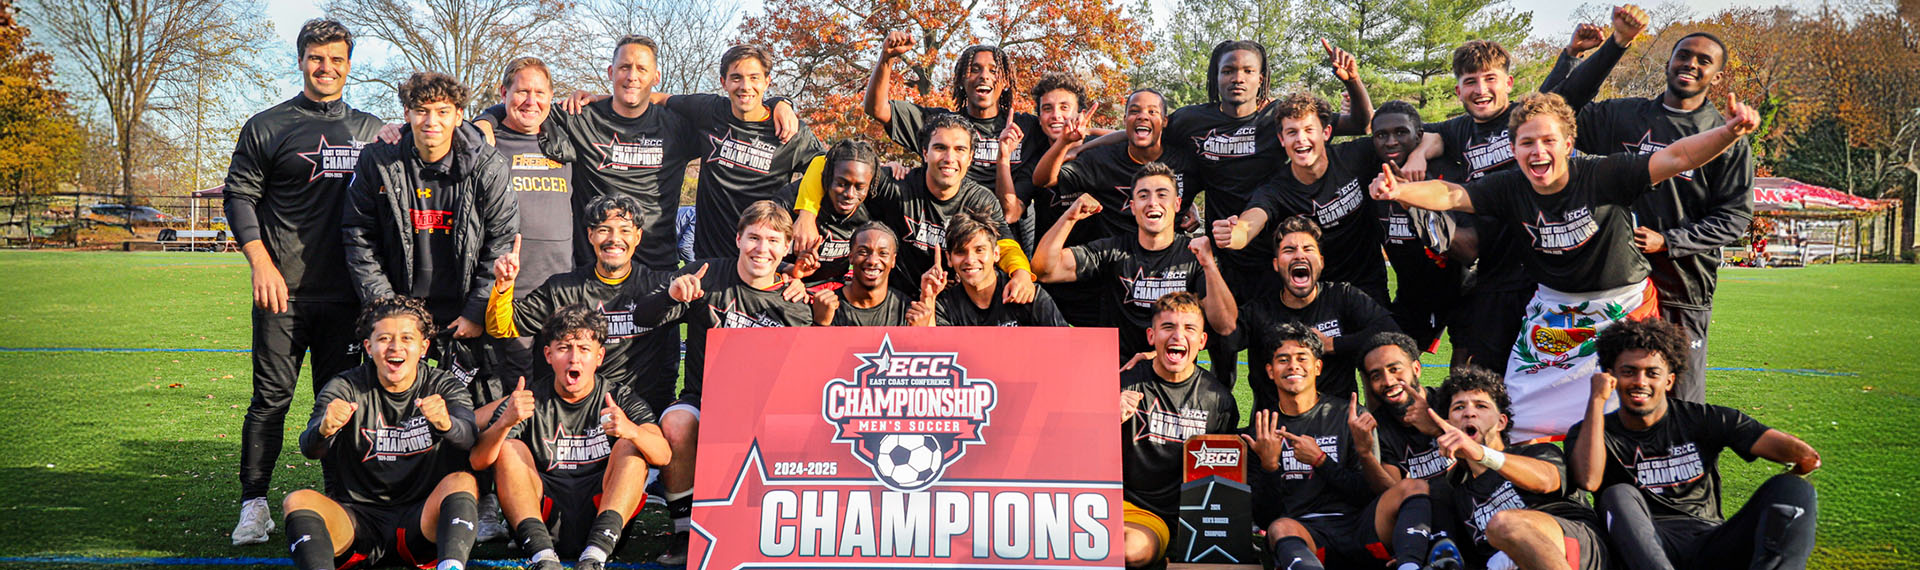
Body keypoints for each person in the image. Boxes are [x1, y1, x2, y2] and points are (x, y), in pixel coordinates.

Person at [1370, 90, 1759, 440]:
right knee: (1519, 415)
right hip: (1554, 310)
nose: (1537, 151)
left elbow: (1677, 156)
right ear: (1514, 149)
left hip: (1622, 309)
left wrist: (1729, 133)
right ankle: (1535, 503)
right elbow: (1453, 195)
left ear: (1568, 144)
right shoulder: (1510, 186)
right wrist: (1401, 190)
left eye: (1548, 141)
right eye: (1526, 143)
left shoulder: (1603, 173)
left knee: (1626, 420)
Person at [1087, 39, 1371, 386]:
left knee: (1271, 350)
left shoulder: (1278, 117)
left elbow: (1359, 124)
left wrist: (1352, 81)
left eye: (1248, 70)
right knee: (1223, 345)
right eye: (1229, 70)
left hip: (1271, 255)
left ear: (1261, 78)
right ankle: (1221, 418)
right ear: (1216, 76)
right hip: (1222, 255)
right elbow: (1140, 135)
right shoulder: (1193, 120)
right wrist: (1083, 142)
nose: (1238, 77)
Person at [1397, 8, 1647, 372]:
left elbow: (1572, 91)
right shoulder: (1456, 132)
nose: (1481, 90)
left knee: (1558, 372)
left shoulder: (1525, 120)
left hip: (1547, 276)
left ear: (1508, 84)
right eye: (1470, 81)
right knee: (1476, 371)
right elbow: (1424, 132)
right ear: (1458, 90)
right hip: (1494, 274)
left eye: (1490, 79)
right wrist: (1419, 150)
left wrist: (1617, 43)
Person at [223, 19, 386, 543]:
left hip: (349, 299)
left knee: (337, 400)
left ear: (349, 64)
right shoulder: (268, 125)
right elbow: (239, 196)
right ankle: (254, 505)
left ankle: (339, 499)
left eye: (337, 59)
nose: (327, 68)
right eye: (317, 58)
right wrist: (260, 261)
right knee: (270, 400)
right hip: (282, 292)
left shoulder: (372, 130)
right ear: (300, 61)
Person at [1574, 32, 1754, 404]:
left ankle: (1691, 465)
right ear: (1668, 62)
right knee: (1609, 394)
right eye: (1683, 55)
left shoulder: (1726, 136)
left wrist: (1668, 240)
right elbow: (1560, 110)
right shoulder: (1621, 116)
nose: (1691, 64)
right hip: (1615, 284)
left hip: (1682, 286)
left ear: (1717, 77)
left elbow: (1735, 217)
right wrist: (1578, 55)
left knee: (1681, 400)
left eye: (1704, 61)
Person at [632, 200, 816, 564]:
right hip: (705, 399)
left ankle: (774, 530)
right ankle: (685, 532)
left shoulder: (794, 300)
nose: (762, 249)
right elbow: (643, 316)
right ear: (737, 239)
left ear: (785, 248)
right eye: (754, 238)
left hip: (764, 411)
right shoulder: (705, 275)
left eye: (773, 240)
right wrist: (671, 294)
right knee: (676, 423)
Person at [1569, 318, 1820, 570]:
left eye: (1652, 373)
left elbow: (1805, 457)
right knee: (1618, 494)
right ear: (1611, 377)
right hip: (1641, 548)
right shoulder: (1591, 431)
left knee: (1794, 488)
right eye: (1628, 372)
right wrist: (1597, 401)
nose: (1640, 382)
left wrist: (1796, 471)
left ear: (1669, 381)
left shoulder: (1704, 419)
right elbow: (1589, 480)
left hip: (1710, 543)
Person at [340, 71, 520, 406]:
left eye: (442, 111)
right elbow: (359, 238)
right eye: (421, 110)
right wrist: (386, 309)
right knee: (395, 414)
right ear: (406, 113)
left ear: (459, 115)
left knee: (468, 417)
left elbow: (501, 241)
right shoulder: (379, 161)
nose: (431, 120)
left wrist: (478, 309)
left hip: (463, 317)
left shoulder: (490, 167)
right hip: (400, 313)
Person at [280, 296, 479, 570]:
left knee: (463, 482)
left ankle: (451, 566)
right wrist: (324, 430)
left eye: (407, 338)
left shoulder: (442, 384)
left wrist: (446, 424)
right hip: (356, 522)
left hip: (420, 523)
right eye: (384, 339)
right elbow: (310, 448)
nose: (395, 347)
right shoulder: (345, 386)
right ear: (368, 347)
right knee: (297, 500)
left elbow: (469, 436)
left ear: (424, 347)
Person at [470, 305, 672, 570]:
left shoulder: (619, 398)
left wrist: (630, 430)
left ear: (599, 357)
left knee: (631, 447)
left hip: (603, 520)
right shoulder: (528, 399)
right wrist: (505, 423)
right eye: (564, 348)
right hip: (541, 517)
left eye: (584, 349)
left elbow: (664, 454)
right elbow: (478, 461)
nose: (574, 359)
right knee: (508, 447)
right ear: (549, 354)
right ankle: (542, 556)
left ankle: (595, 556)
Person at [792, 114, 1037, 294]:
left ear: (970, 157)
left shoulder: (979, 200)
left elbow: (1005, 242)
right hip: (895, 297)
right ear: (924, 152)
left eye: (959, 149)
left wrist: (1022, 273)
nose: (949, 158)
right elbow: (825, 163)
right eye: (940, 148)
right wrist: (806, 214)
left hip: (950, 300)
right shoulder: (897, 184)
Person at [485, 194, 683, 412]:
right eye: (604, 229)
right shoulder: (562, 289)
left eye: (625, 230)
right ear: (590, 235)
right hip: (572, 410)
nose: (614, 238)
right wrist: (503, 286)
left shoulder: (660, 287)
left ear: (638, 236)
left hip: (636, 410)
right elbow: (501, 327)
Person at [1032, 162, 1234, 360]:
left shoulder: (1195, 255)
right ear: (1133, 206)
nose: (1152, 202)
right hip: (1118, 372)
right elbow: (1045, 270)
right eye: (1143, 196)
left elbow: (1224, 325)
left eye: (1162, 195)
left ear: (1177, 204)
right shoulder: (1112, 250)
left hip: (1173, 370)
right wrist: (1069, 218)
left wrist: (1209, 265)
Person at [863, 31, 1045, 247]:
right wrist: (886, 58)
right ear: (961, 80)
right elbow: (877, 108)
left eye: (993, 70)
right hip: (948, 234)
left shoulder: (1027, 127)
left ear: (1005, 81)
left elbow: (1068, 136)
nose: (984, 76)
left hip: (1005, 237)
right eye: (974, 69)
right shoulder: (941, 125)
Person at [1029, 88, 1190, 328]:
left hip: (1167, 265)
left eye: (1152, 112)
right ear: (1125, 121)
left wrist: (1188, 208)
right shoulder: (1102, 160)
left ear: (1164, 122)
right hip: (1114, 264)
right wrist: (1067, 143)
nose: (1143, 116)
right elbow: (1043, 180)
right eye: (1134, 112)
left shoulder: (1185, 161)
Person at [1212, 92, 1391, 305]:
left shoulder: (1355, 155)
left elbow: (1411, 137)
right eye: (1292, 132)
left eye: (1308, 130)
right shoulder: (1277, 189)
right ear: (1282, 139)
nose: (1301, 139)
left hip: (1367, 286)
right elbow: (1251, 220)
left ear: (1326, 132)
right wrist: (1233, 234)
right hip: (1317, 295)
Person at [648, 44, 822, 259]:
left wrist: (807, 213)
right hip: (710, 258)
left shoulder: (789, 130)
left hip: (762, 257)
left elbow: (824, 167)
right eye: (737, 77)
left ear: (767, 82)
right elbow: (657, 98)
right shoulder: (709, 110)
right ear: (724, 82)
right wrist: (600, 101)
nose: (746, 86)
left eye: (754, 78)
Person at [1214, 215, 1397, 411]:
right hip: (1275, 429)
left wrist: (1333, 344)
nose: (1299, 255)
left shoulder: (1342, 296)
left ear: (1321, 262)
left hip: (1335, 427)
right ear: (1276, 264)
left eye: (1308, 249)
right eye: (1289, 250)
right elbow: (1225, 335)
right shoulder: (1259, 310)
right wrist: (1209, 265)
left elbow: (1391, 333)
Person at [1240, 323, 1384, 570]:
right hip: (1303, 535)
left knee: (1408, 491)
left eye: (1301, 358)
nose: (1293, 366)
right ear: (1270, 371)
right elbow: (1266, 519)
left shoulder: (1350, 417)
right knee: (1280, 527)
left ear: (1317, 367)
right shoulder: (1261, 431)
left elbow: (1367, 494)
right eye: (1283, 360)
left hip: (1357, 526)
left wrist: (1321, 461)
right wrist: (1270, 466)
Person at [1117, 292, 1239, 568]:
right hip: (1132, 509)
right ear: (1152, 336)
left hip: (1193, 514)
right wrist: (1106, 420)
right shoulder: (1123, 383)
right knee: (1130, 551)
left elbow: (1223, 477)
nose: (1177, 336)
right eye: (1168, 327)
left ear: (1202, 341)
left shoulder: (1218, 400)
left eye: (1189, 328)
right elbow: (1081, 452)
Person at [482, 57, 574, 388]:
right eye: (521, 91)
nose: (531, 101)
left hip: (561, 296)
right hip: (511, 296)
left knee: (558, 394)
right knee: (516, 394)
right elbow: (430, 127)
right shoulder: (484, 141)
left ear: (551, 97)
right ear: (503, 92)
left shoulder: (565, 140)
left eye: (539, 92)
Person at [1368, 102, 1463, 350]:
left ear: (1419, 136)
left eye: (1401, 133)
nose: (1391, 141)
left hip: (1461, 289)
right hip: (1411, 295)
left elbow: (1468, 248)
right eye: (1382, 135)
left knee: (1467, 365)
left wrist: (1407, 197)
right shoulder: (1371, 173)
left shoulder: (1445, 173)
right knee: (1385, 359)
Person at [933, 211, 1068, 326]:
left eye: (979, 250)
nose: (970, 260)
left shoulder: (1029, 295)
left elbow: (1064, 347)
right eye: (960, 252)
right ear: (949, 258)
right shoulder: (943, 307)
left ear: (996, 254)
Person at [789, 140, 882, 288]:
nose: (850, 194)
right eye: (841, 184)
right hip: (790, 289)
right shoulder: (790, 201)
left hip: (836, 293)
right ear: (827, 178)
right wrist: (806, 213)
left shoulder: (873, 206)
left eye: (859, 187)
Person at [811, 223, 934, 326]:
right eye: (863, 252)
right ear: (851, 258)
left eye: (883, 253)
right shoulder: (825, 306)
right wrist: (820, 325)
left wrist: (920, 334)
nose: (872, 261)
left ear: (893, 261)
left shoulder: (908, 310)